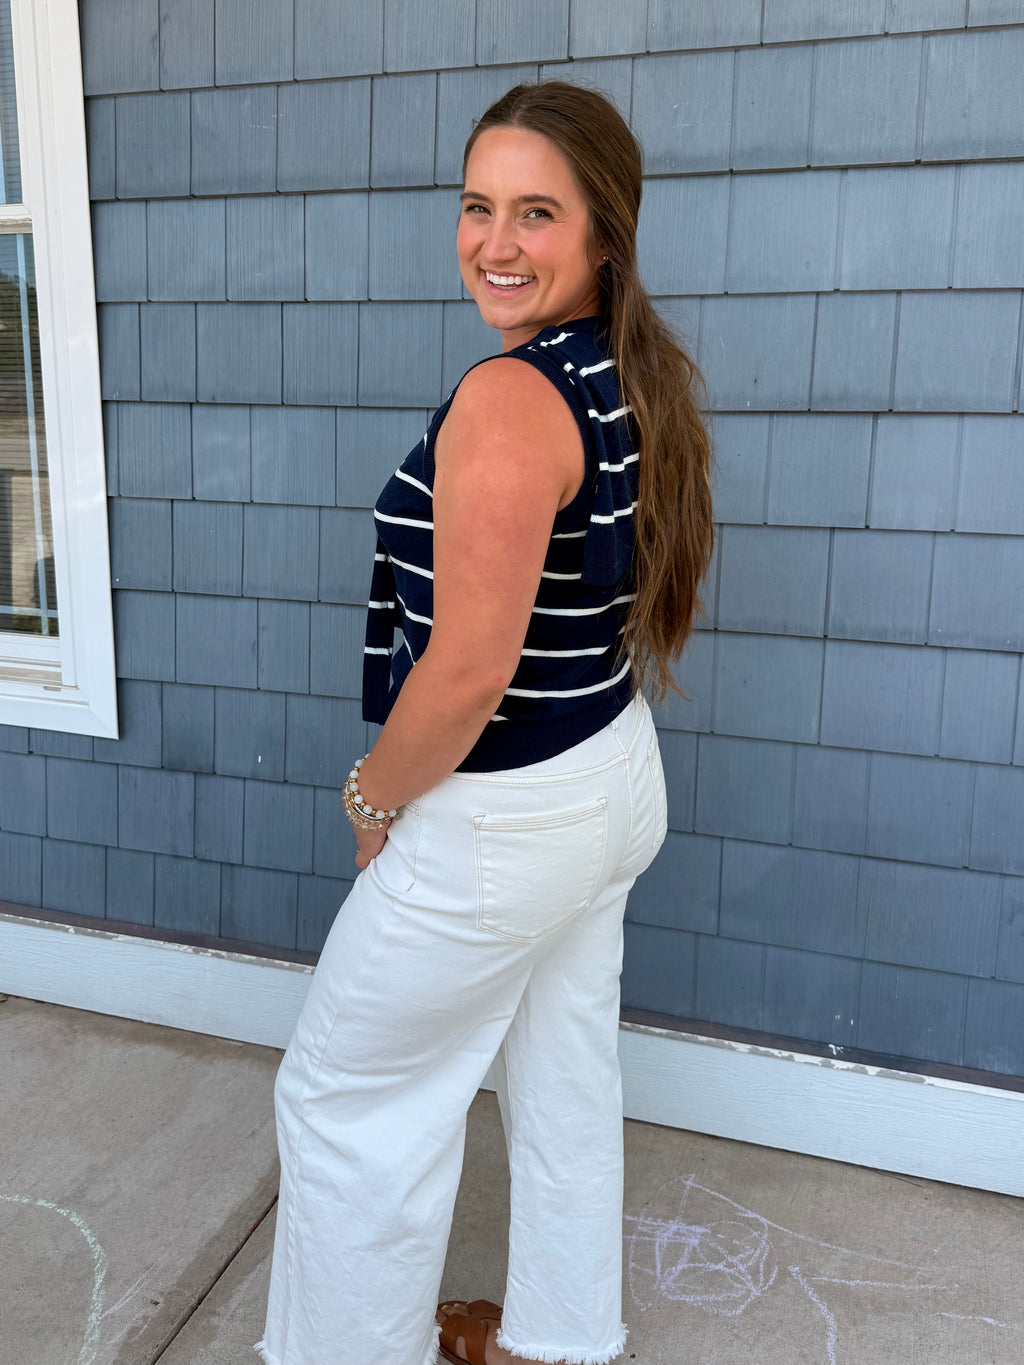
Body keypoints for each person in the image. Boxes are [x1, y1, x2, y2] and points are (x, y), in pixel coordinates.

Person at [255, 80, 714, 1365]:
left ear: (602, 234)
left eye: (536, 213)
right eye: (476, 206)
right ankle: (562, 1340)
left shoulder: (510, 403)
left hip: (503, 814)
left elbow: (464, 671)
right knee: (563, 1077)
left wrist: (372, 798)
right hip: (606, 779)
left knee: (349, 1103)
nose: (495, 243)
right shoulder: (622, 366)